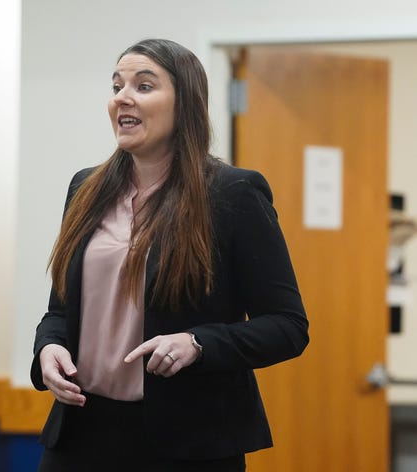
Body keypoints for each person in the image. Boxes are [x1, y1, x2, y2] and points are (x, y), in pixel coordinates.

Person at [30, 38, 309, 472]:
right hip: (80, 433)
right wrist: (48, 349)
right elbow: (60, 312)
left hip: (188, 444)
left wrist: (198, 343)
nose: (122, 96)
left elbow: (288, 327)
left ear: (186, 104)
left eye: (143, 86)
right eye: (117, 85)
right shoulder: (85, 189)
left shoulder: (233, 193)